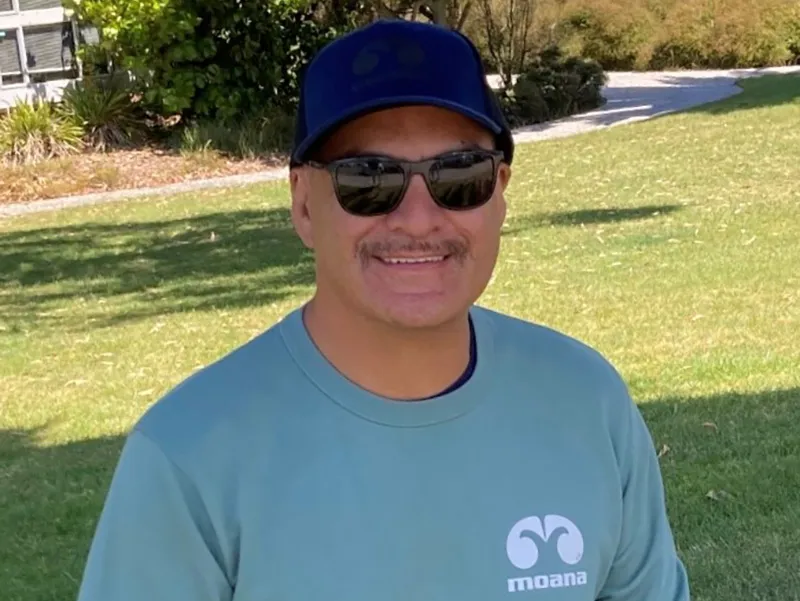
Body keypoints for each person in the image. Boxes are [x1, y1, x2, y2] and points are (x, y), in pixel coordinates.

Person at [76, 18, 691, 601]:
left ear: (500, 192)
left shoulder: (587, 402)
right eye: (368, 179)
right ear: (304, 204)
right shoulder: (189, 454)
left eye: (459, 175)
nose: (419, 218)